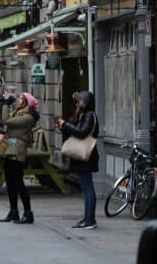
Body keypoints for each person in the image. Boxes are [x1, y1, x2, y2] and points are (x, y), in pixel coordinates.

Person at [56, 91, 99, 230]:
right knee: (85, 187)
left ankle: (90, 220)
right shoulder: (83, 116)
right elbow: (74, 131)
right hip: (83, 158)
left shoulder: (89, 116)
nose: (77, 104)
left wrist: (65, 125)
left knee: (87, 188)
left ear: (85, 103)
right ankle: (87, 218)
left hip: (86, 157)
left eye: (79, 101)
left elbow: (81, 133)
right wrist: (63, 126)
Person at [0, 92, 39, 224]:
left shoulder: (28, 117)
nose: (18, 101)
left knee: (18, 182)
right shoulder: (17, 112)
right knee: (9, 181)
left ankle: (28, 213)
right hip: (9, 145)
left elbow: (6, 121)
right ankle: (13, 211)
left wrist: (5, 104)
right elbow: (2, 119)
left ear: (27, 103)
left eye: (22, 99)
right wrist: (2, 103)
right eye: (19, 98)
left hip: (17, 149)